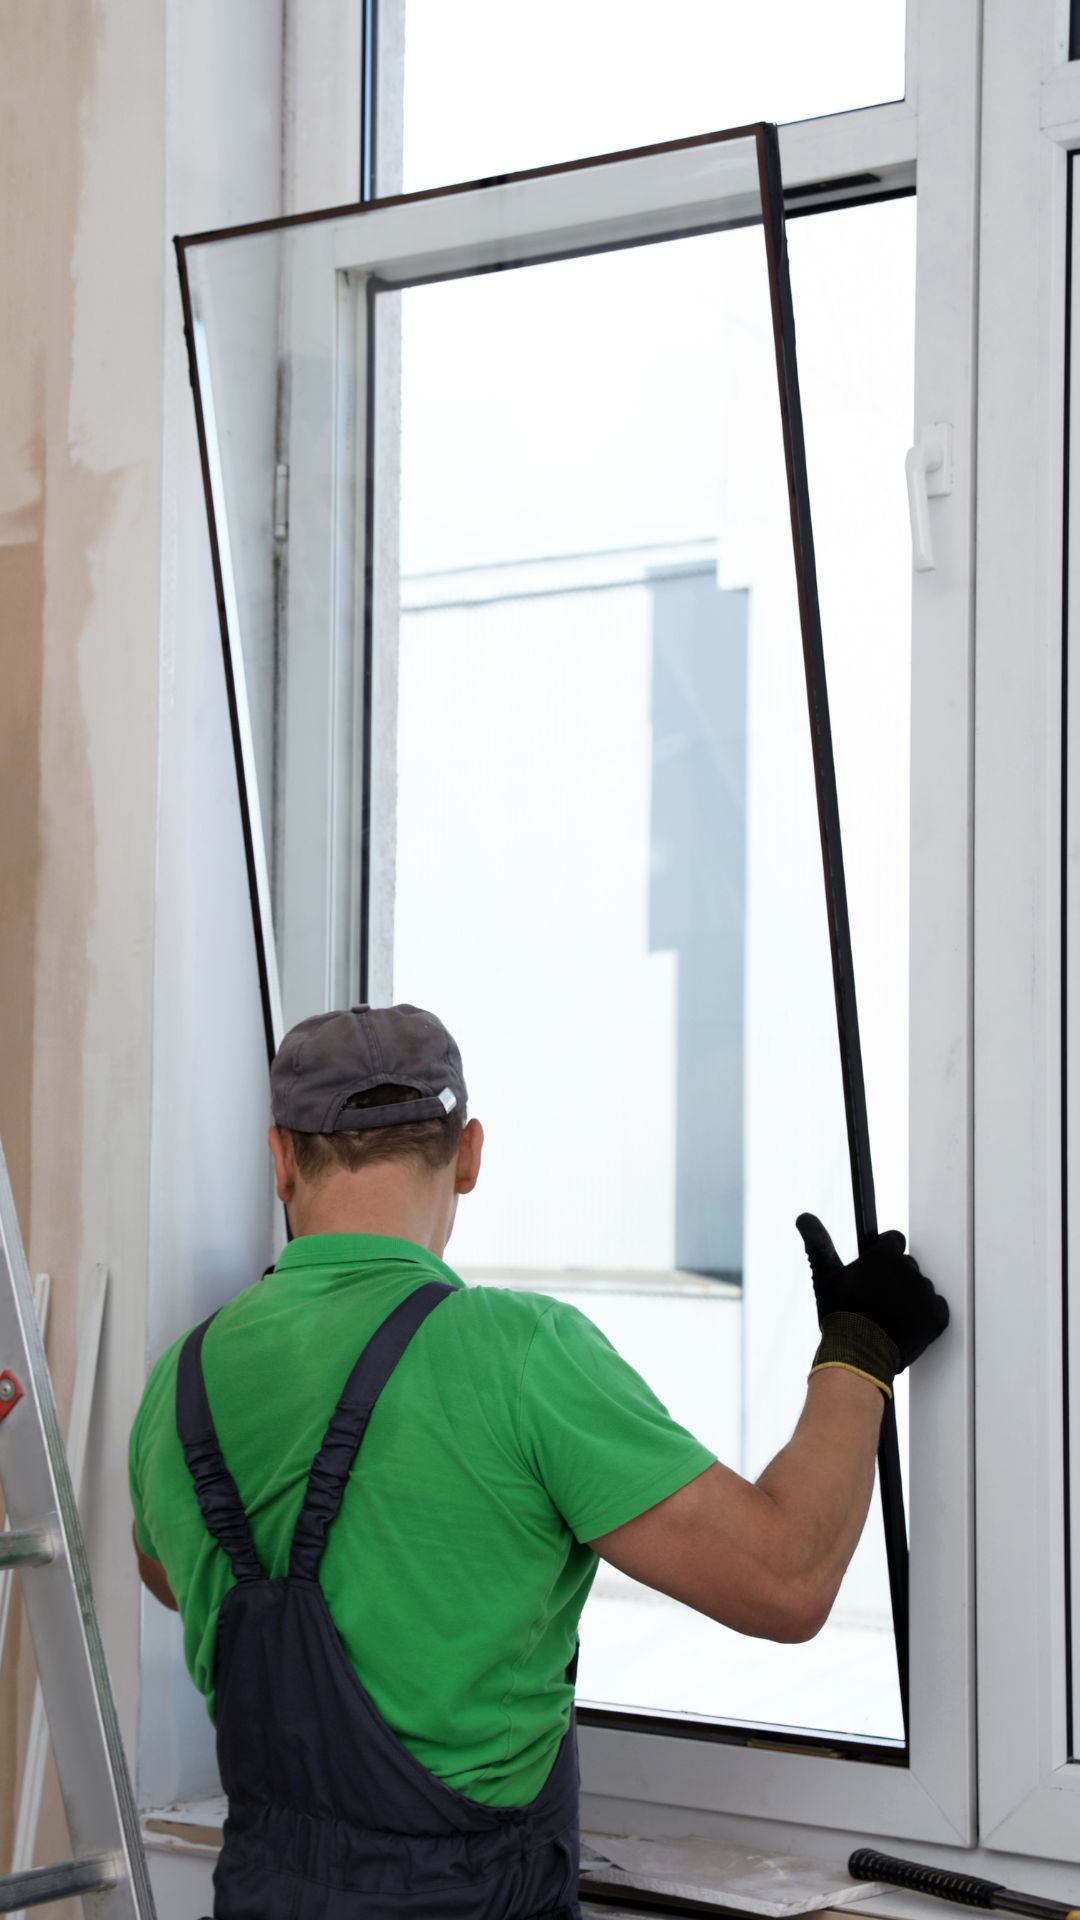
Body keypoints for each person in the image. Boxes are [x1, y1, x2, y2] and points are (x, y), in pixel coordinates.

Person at [129, 1003, 949, 1920]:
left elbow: (168, 1574)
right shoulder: (518, 1353)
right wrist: (859, 1348)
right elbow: (786, 1579)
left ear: (281, 1158)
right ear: (469, 1154)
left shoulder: (182, 1378)